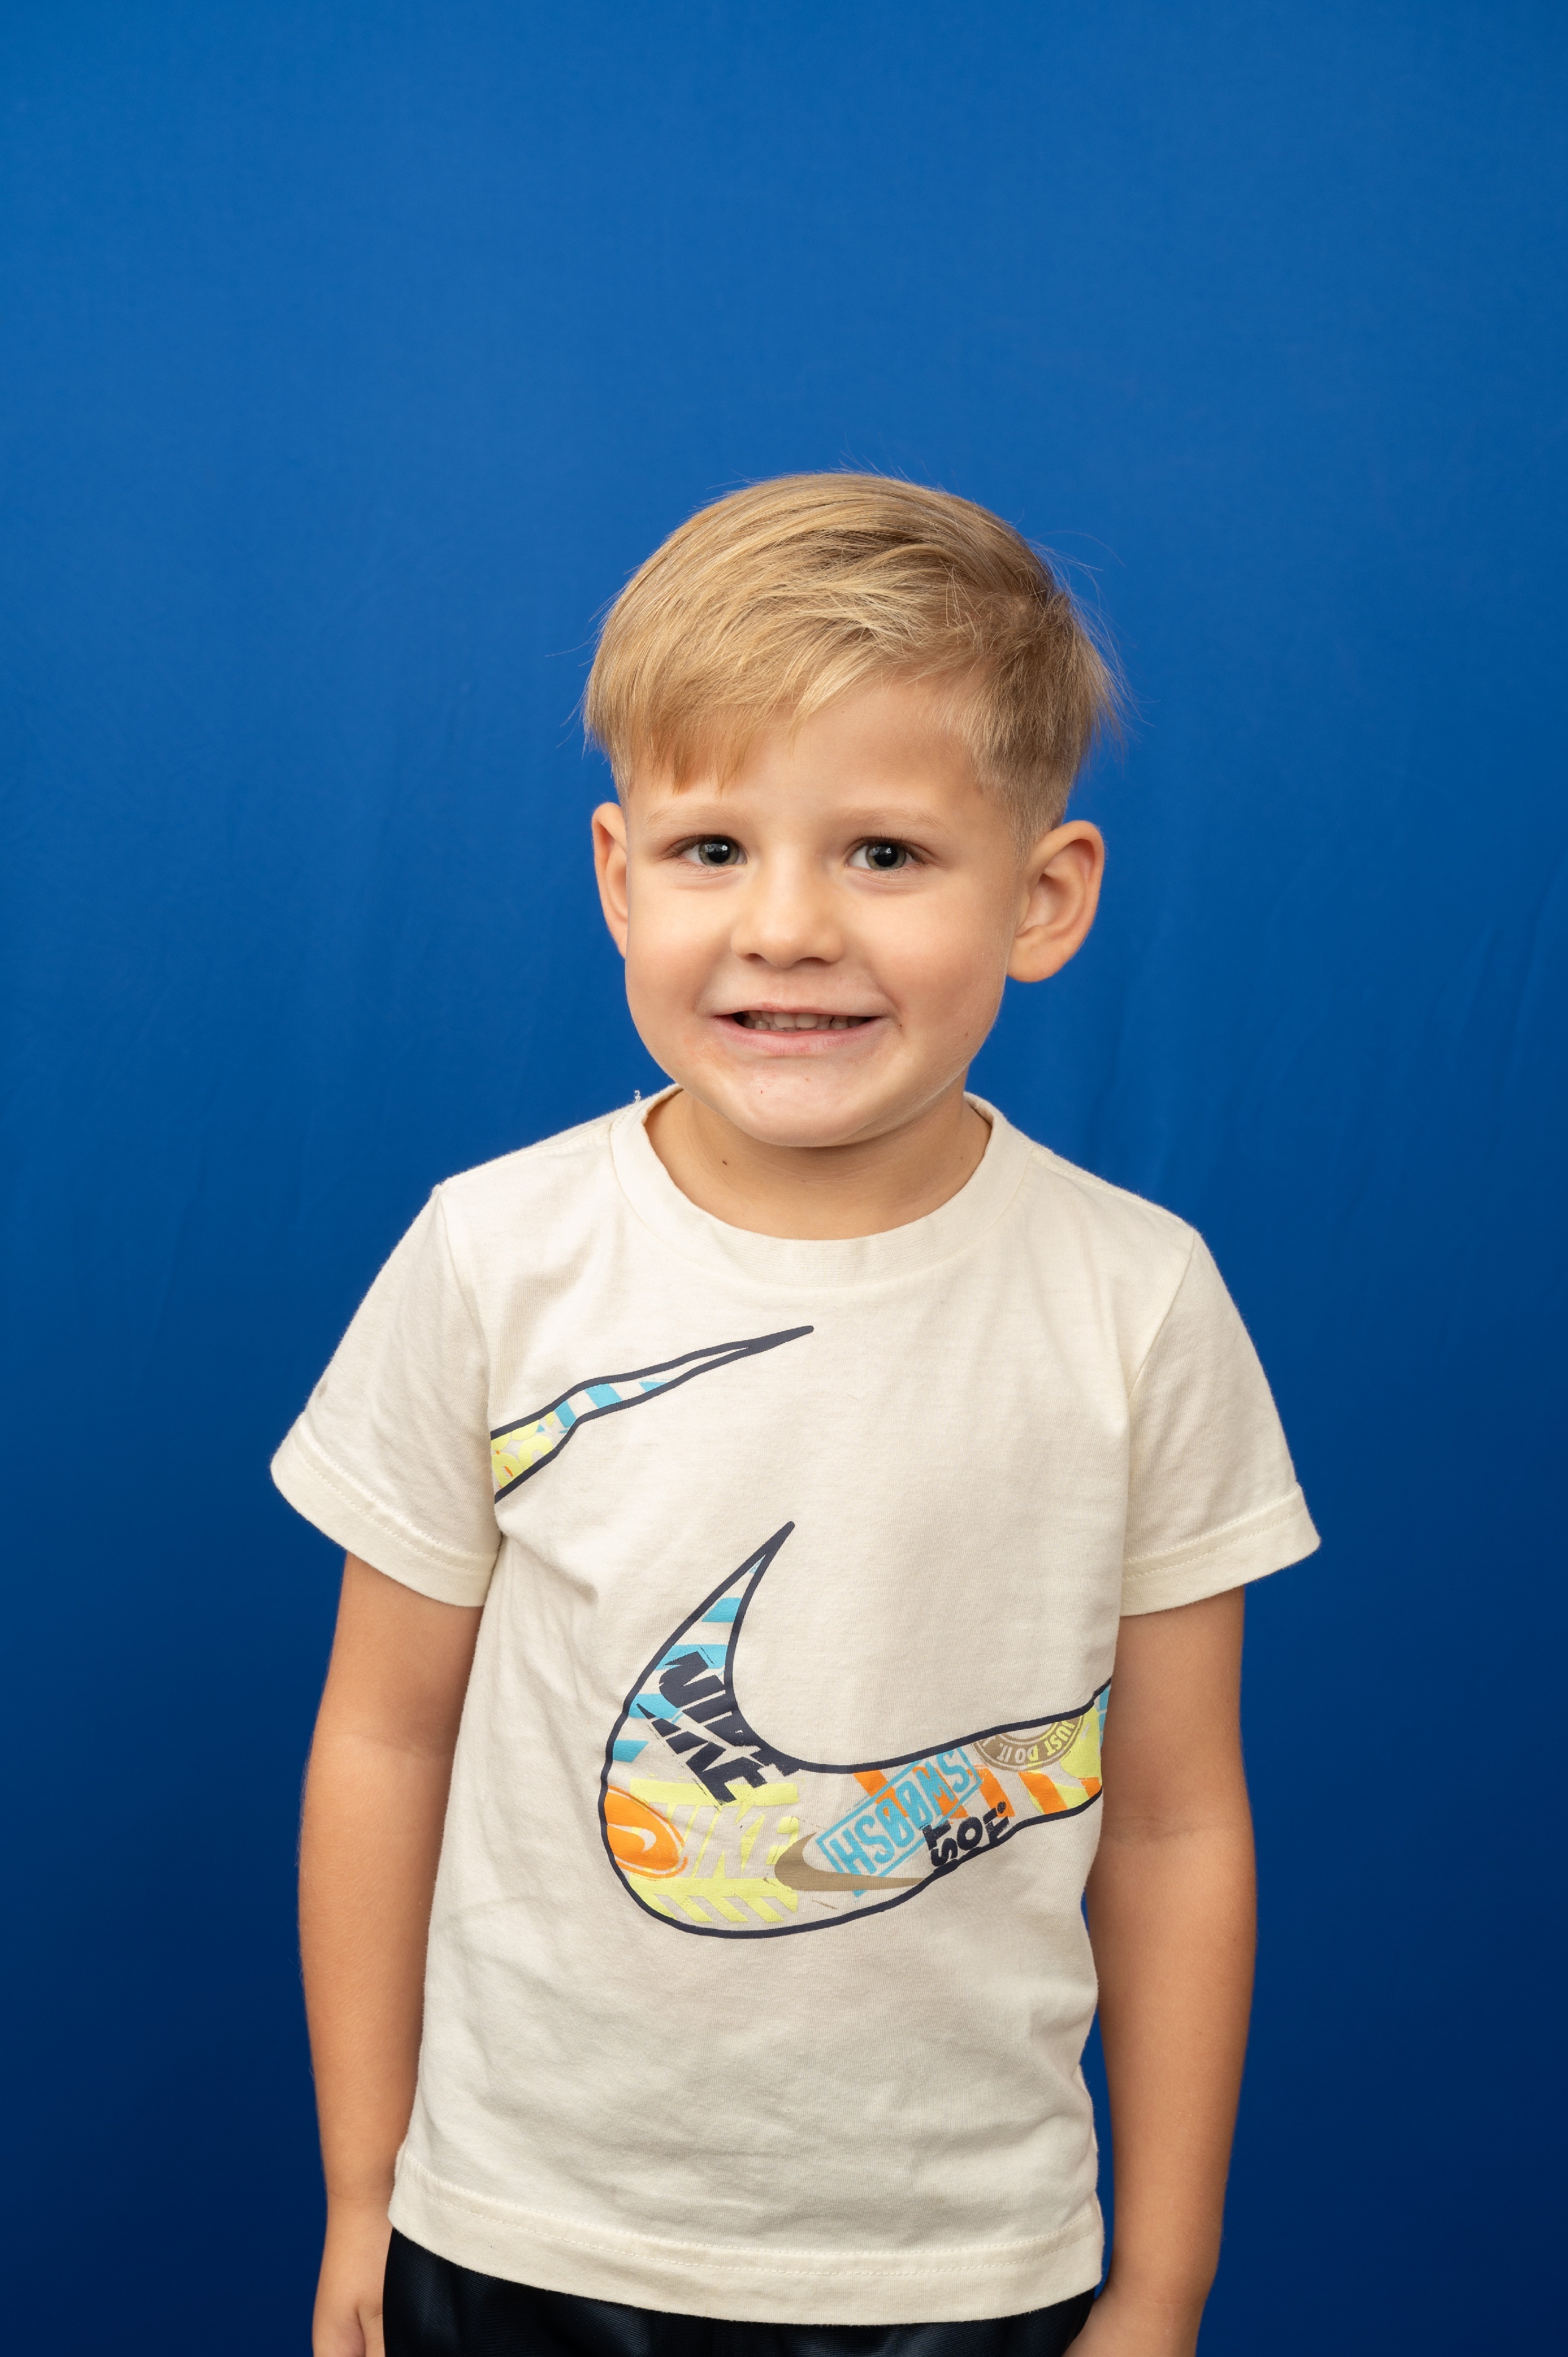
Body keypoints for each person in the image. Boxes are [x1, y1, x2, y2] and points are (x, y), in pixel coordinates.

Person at [276, 474, 1318, 2357]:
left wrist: (1164, 2281)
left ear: (1045, 895)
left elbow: (1174, 1823)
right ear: (618, 876)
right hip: (520, 2231)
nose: (786, 927)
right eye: (712, 848)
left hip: (961, 2270)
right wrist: (368, 2178)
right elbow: (383, 1730)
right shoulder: (495, 1257)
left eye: (885, 853)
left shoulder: (1138, 1299)